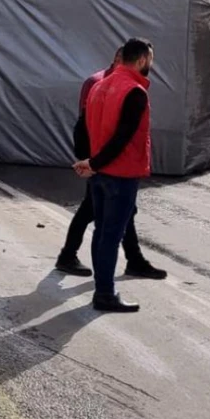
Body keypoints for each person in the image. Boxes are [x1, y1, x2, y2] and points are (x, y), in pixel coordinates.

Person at [56, 48, 166, 281]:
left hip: (101, 162)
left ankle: (133, 260)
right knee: (99, 217)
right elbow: (88, 126)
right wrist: (90, 161)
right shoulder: (105, 84)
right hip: (107, 164)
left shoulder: (102, 83)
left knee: (121, 214)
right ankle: (87, 271)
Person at [75, 38, 155, 313]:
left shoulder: (98, 86)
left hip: (99, 174)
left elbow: (82, 128)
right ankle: (105, 294)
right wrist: (95, 162)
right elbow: (123, 138)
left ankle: (102, 289)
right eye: (150, 60)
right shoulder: (135, 92)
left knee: (101, 233)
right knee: (111, 235)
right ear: (142, 60)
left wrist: (88, 161)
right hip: (119, 174)